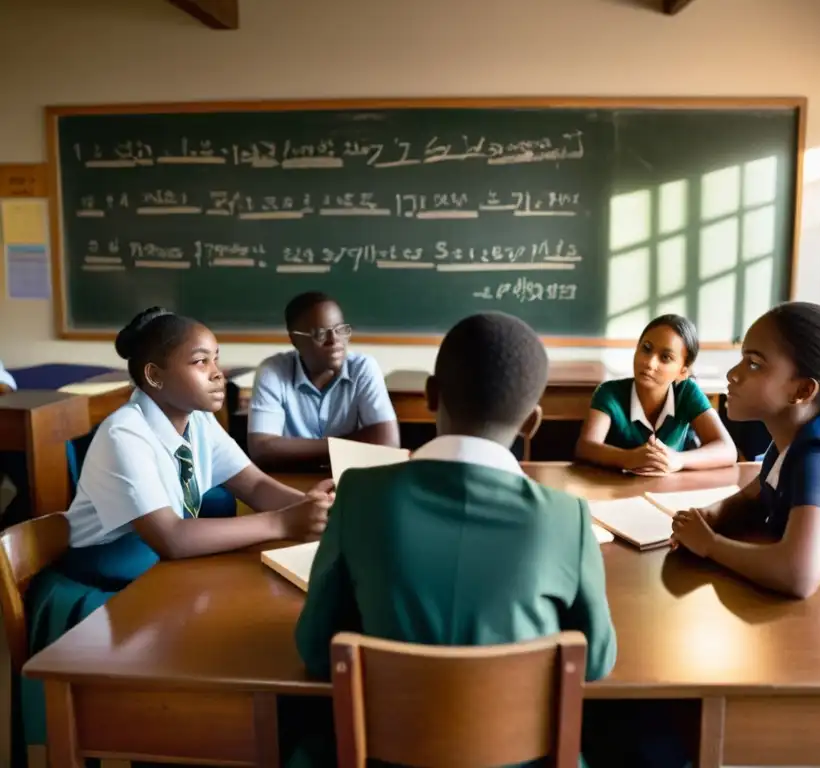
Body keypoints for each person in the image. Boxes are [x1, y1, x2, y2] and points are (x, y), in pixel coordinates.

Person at [290, 312, 616, 767]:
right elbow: (596, 662)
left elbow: (315, 650)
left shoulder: (360, 495)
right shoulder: (567, 518)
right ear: (532, 422)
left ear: (430, 394)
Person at [21, 307, 332, 748]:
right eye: (200, 361)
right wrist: (284, 521)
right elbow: (170, 537)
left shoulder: (198, 422)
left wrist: (311, 506)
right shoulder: (124, 435)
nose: (218, 374)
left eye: (216, 359)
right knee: (227, 652)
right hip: (103, 599)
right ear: (155, 375)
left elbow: (255, 484)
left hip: (159, 581)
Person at [670, 302, 820, 626]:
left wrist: (709, 545)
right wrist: (714, 514)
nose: (733, 374)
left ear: (802, 390)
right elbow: (755, 494)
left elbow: (797, 574)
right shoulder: (796, 438)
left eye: (755, 364)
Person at [248, 292, 399, 471]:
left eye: (341, 330)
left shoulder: (363, 368)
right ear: (295, 339)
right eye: (320, 334)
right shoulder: (273, 371)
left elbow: (388, 444)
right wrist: (356, 442)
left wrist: (295, 448)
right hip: (292, 481)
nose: (334, 341)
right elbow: (262, 449)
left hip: (347, 479)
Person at [575, 314, 737, 474]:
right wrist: (628, 458)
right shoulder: (609, 392)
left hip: (669, 492)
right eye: (646, 348)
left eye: (665, 357)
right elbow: (586, 447)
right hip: (613, 491)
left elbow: (728, 450)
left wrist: (678, 459)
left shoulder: (687, 392)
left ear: (682, 372)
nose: (650, 363)